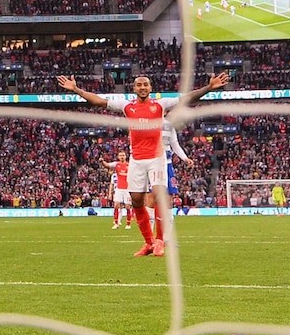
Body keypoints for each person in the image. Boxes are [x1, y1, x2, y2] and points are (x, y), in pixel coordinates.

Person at [57, 72, 229, 256]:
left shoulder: (160, 105)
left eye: (145, 85)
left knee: (158, 195)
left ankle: (161, 241)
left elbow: (186, 98)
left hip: (157, 158)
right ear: (134, 88)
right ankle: (149, 243)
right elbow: (98, 101)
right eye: (139, 85)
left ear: (150, 88)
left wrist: (209, 88)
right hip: (136, 160)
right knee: (137, 200)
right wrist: (76, 90)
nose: (142, 88)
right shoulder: (127, 106)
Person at [142, 118, 196, 256]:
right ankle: (150, 241)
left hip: (167, 165)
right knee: (151, 200)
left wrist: (185, 158)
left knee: (169, 201)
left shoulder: (168, 125)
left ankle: (166, 239)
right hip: (152, 164)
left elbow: (175, 144)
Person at [101, 151, 132, 230]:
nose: (122, 157)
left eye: (123, 155)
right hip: (119, 188)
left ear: (125, 156)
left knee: (128, 206)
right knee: (116, 205)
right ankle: (116, 223)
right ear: (118, 157)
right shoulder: (116, 164)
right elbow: (107, 165)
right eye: (120, 155)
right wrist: (102, 161)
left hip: (127, 189)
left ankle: (128, 223)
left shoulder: (130, 165)